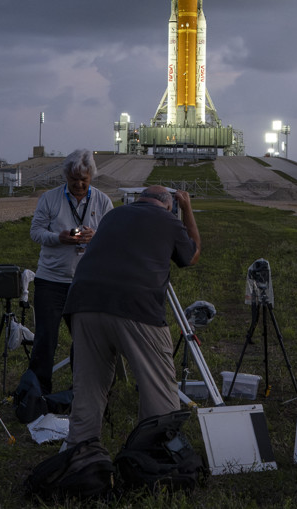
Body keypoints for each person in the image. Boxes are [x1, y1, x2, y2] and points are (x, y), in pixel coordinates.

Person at [63, 186, 200, 447]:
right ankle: (154, 455)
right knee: (158, 389)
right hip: (136, 307)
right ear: (168, 204)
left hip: (83, 303)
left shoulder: (113, 216)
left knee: (88, 389)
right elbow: (190, 256)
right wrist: (188, 209)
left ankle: (79, 455)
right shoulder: (168, 219)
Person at [27, 149, 113, 394]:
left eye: (83, 180)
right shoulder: (49, 198)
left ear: (91, 177)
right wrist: (58, 238)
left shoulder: (103, 201)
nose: (78, 184)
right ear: (65, 176)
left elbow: (111, 237)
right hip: (51, 280)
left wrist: (95, 236)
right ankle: (39, 392)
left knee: (85, 341)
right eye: (74, 179)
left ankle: (82, 390)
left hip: (86, 282)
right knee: (45, 339)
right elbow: (36, 232)